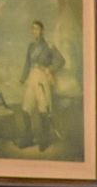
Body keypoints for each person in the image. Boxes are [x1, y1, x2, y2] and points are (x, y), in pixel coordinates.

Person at [18, 19, 63, 152]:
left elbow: (61, 61)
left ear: (42, 30)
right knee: (26, 108)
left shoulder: (48, 45)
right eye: (33, 29)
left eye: (37, 28)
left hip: (42, 79)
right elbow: (27, 63)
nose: (34, 31)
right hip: (32, 78)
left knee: (44, 110)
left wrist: (49, 69)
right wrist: (22, 79)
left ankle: (45, 140)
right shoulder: (31, 46)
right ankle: (29, 138)